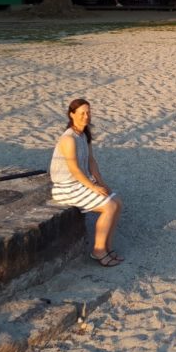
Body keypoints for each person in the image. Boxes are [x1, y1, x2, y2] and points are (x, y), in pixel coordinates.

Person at [49, 99, 124, 266]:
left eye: (88, 112)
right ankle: (98, 251)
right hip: (66, 187)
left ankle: (107, 247)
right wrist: (93, 187)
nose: (86, 116)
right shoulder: (68, 138)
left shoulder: (84, 134)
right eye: (82, 113)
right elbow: (74, 169)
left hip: (81, 183)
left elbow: (91, 162)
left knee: (117, 201)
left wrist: (102, 183)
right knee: (109, 206)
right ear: (72, 114)